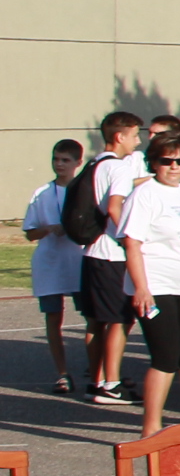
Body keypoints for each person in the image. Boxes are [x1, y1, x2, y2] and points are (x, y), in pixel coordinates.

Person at [116, 134, 180, 436]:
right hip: (156, 286)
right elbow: (132, 244)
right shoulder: (145, 195)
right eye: (167, 161)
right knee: (165, 358)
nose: (174, 167)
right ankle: (151, 427)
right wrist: (141, 288)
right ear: (153, 163)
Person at [77, 111, 148, 405]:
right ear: (119, 137)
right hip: (112, 255)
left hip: (93, 251)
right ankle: (111, 384)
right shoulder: (118, 167)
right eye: (134, 135)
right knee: (119, 320)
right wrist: (127, 238)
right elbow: (114, 206)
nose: (138, 141)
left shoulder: (96, 163)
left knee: (96, 321)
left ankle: (97, 380)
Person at [25, 139, 86, 394]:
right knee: (53, 317)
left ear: (78, 162)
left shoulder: (86, 190)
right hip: (50, 264)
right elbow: (30, 233)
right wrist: (48, 229)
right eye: (56, 159)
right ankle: (62, 373)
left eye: (65, 160)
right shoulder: (42, 193)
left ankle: (99, 371)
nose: (59, 164)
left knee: (94, 318)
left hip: (80, 263)